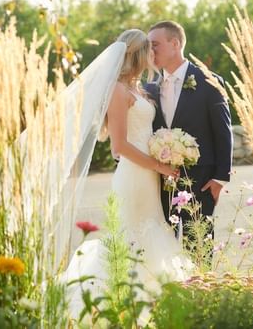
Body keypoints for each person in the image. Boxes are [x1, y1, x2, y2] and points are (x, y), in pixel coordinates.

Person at [62, 29, 194, 322]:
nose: (153, 55)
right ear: (138, 54)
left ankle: (153, 309)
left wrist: (166, 152)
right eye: (149, 49)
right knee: (133, 237)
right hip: (134, 176)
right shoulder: (118, 91)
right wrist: (159, 165)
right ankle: (123, 308)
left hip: (148, 176)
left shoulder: (141, 89)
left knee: (150, 233)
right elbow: (119, 146)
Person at [145, 20, 233, 250]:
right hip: (161, 182)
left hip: (202, 181)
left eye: (155, 44)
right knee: (164, 248)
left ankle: (201, 287)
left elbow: (223, 131)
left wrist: (220, 178)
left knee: (199, 248)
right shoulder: (150, 88)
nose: (150, 51)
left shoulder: (208, 81)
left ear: (175, 44)